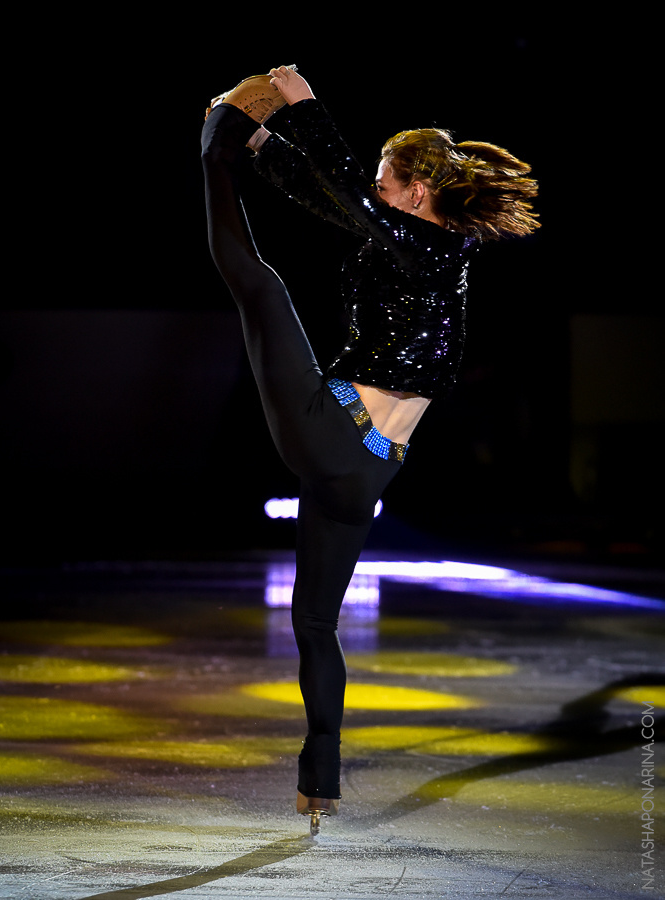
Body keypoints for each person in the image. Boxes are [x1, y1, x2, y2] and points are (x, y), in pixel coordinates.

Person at [201, 66, 539, 833]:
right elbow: (334, 194)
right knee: (315, 624)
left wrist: (299, 104)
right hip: (368, 470)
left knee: (260, 287)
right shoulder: (426, 248)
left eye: (386, 184)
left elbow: (346, 192)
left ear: (416, 192)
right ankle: (318, 779)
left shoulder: (433, 251)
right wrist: (263, 144)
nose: (373, 193)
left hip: (334, 429)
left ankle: (209, 157)